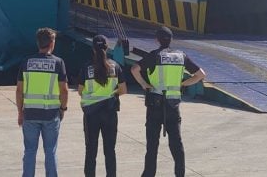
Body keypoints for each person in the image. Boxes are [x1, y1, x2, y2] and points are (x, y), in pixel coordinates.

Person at [131, 26, 206, 177]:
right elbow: (201, 74)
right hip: (173, 105)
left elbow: (134, 69)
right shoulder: (181, 56)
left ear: (157, 40)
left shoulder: (154, 55)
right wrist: (183, 84)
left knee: (152, 146)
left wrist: (144, 84)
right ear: (171, 40)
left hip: (155, 104)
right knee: (176, 145)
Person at [16, 27, 69, 177]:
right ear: (51, 43)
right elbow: (64, 90)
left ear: (38, 43)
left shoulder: (26, 62)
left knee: (30, 151)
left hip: (30, 114)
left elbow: (19, 90)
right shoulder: (58, 63)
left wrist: (20, 112)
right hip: (51, 115)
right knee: (50, 151)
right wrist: (63, 109)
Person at [78, 35, 127, 177]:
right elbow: (123, 90)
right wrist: (110, 94)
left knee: (91, 150)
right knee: (110, 150)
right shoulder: (115, 67)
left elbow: (80, 91)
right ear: (107, 47)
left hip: (91, 114)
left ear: (93, 49)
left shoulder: (86, 68)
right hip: (110, 112)